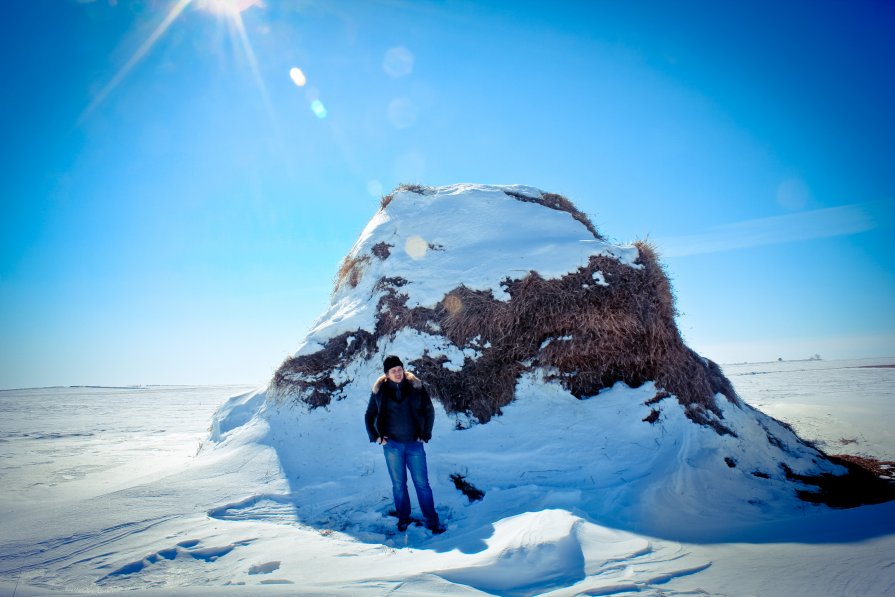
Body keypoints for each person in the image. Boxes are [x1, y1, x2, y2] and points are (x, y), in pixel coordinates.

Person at [365, 355, 444, 534]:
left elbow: (429, 410)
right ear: (387, 374)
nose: (398, 373)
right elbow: (369, 415)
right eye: (393, 371)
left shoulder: (415, 387)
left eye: (400, 369)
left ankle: (432, 520)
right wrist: (376, 437)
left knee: (422, 483)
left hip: (414, 444)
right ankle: (403, 519)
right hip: (392, 445)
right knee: (399, 485)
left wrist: (426, 433)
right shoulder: (380, 391)